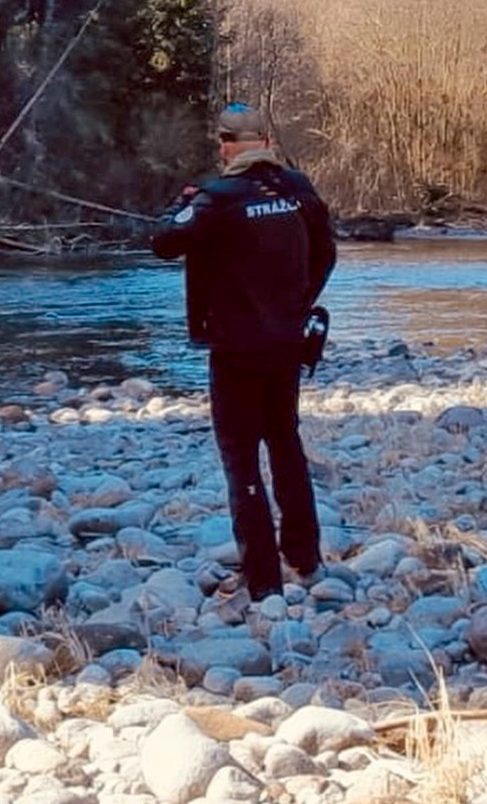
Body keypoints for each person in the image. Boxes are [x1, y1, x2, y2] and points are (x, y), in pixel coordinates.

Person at [152, 103, 336, 600]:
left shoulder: (217, 198)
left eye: (223, 143)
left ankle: (262, 582)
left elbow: (164, 241)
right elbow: (326, 253)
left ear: (228, 146)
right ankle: (306, 559)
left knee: (240, 459)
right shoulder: (297, 190)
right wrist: (297, 306)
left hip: (236, 349)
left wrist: (180, 204)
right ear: (266, 143)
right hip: (287, 342)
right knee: (285, 443)